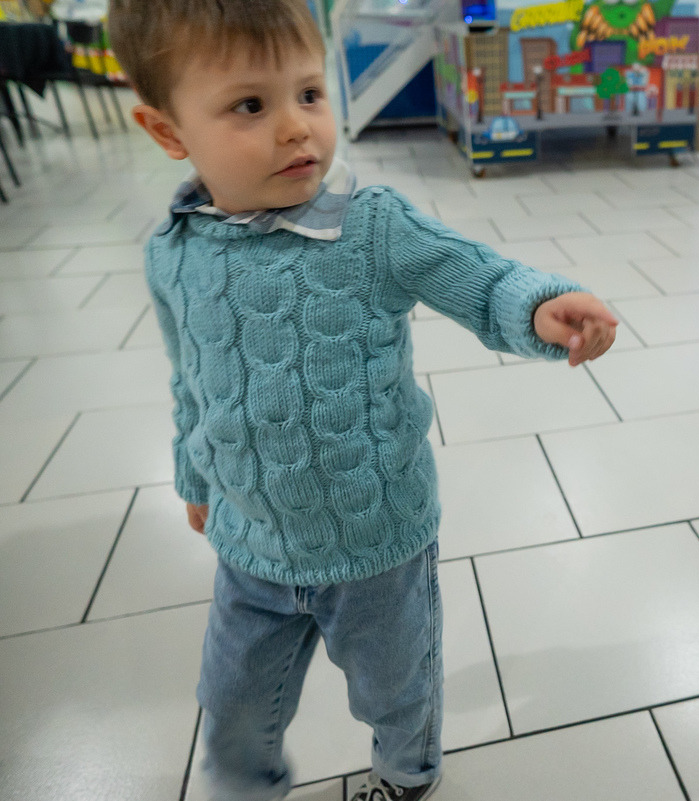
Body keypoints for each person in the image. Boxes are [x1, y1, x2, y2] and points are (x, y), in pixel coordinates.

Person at [107, 2, 619, 799]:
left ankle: (408, 774)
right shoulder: (171, 254)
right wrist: (194, 475)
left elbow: (480, 278)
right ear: (169, 132)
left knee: (396, 688)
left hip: (378, 543)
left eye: (309, 93)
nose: (295, 128)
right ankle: (243, 784)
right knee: (232, 701)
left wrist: (537, 308)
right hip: (250, 546)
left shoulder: (371, 228)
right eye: (250, 105)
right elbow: (189, 382)